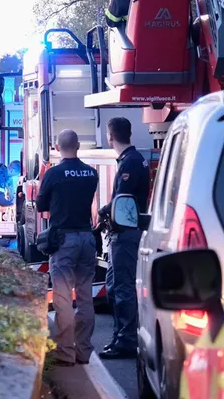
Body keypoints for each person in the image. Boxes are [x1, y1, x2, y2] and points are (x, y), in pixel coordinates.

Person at [36, 129, 99, 367]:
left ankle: (65, 352)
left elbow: (41, 204)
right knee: (85, 297)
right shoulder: (91, 173)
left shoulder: (53, 174)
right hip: (86, 238)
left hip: (64, 241)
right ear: (79, 145)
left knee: (63, 298)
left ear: (56, 147)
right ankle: (83, 351)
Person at [98, 117, 150, 359]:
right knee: (113, 285)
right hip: (125, 230)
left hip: (126, 232)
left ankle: (126, 340)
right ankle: (120, 335)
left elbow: (122, 198)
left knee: (122, 288)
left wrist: (103, 211)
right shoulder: (133, 159)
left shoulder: (130, 162)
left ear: (110, 137)